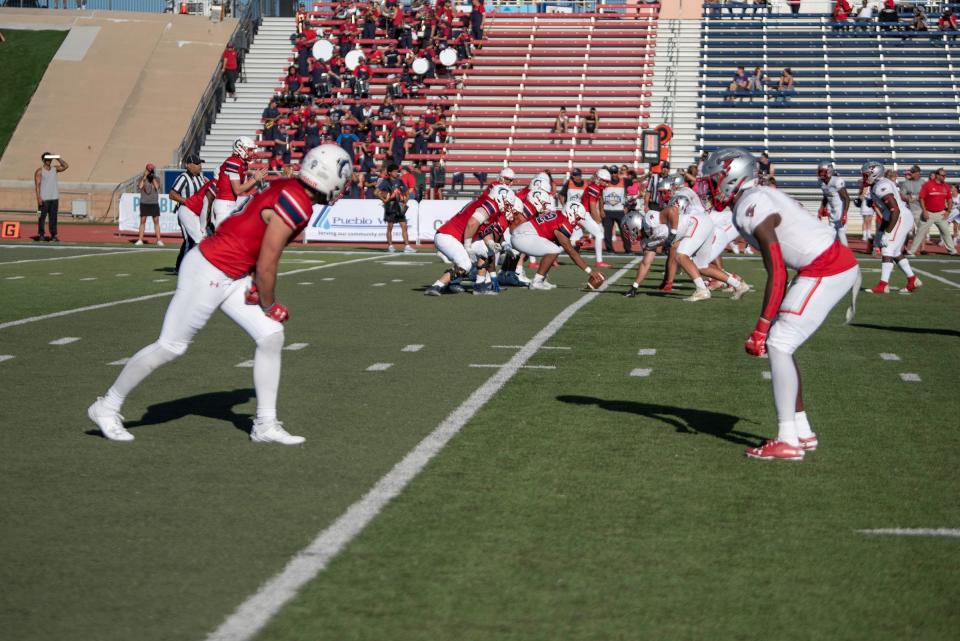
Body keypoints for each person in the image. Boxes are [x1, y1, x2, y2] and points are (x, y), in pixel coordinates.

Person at [87, 145, 352, 444]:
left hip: (230, 272)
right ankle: (106, 406)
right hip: (210, 269)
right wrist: (268, 302)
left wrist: (251, 279)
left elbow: (251, 232)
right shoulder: (297, 202)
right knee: (171, 346)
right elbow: (268, 261)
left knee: (270, 335)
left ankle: (265, 424)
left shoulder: (289, 188)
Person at [701, 147, 861, 461]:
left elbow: (777, 270)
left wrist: (761, 327)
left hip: (825, 268)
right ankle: (801, 431)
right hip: (826, 265)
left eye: (715, 178)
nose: (710, 185)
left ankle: (788, 439)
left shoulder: (752, 203)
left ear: (733, 177)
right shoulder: (757, 195)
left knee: (778, 342)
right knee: (782, 344)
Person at [861, 161, 921, 294]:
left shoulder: (880, 186)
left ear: (874, 174)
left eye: (867, 175)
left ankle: (883, 285)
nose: (865, 178)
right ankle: (912, 279)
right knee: (894, 252)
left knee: (887, 249)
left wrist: (887, 233)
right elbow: (889, 212)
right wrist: (881, 231)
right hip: (897, 217)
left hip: (899, 217)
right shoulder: (878, 184)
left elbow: (895, 210)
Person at [212, 137, 266, 229]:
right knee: (221, 239)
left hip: (230, 203)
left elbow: (245, 188)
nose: (252, 153)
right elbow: (237, 190)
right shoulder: (233, 162)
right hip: (224, 203)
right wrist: (254, 179)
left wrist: (256, 180)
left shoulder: (242, 163)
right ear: (241, 148)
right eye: (250, 150)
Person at [169, 153, 208, 271]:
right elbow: (172, 194)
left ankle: (192, 265)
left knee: (199, 238)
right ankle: (180, 267)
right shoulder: (183, 178)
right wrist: (187, 201)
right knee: (188, 240)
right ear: (188, 165)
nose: (200, 166)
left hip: (197, 213)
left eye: (200, 163)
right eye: (197, 164)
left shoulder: (201, 177)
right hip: (186, 212)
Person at [910, 168, 957, 256]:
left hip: (941, 213)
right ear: (937, 175)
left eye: (945, 175)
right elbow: (921, 198)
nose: (944, 177)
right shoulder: (928, 185)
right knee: (920, 232)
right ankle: (911, 251)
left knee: (946, 232)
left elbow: (950, 200)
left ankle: (952, 251)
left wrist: (948, 211)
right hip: (929, 213)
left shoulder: (946, 186)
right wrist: (924, 211)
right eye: (943, 175)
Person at [377, 163, 414, 253]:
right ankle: (390, 246)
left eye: (397, 171)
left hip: (399, 206)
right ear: (389, 172)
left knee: (404, 226)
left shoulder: (400, 181)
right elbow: (376, 192)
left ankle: (407, 246)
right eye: (394, 171)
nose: (396, 173)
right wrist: (384, 200)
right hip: (391, 206)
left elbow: (407, 192)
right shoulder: (386, 182)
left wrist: (405, 202)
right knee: (390, 227)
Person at [34, 152, 68, 242]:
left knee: (53, 218)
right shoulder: (39, 171)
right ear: (43, 160)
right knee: (41, 217)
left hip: (54, 198)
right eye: (47, 159)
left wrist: (57, 157)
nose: (49, 161)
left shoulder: (55, 169)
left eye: (50, 159)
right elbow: (37, 186)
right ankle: (41, 235)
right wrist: (38, 198)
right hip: (44, 199)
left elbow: (65, 166)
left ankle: (53, 235)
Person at [816, 160, 850, 246]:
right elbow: (825, 196)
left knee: (841, 233)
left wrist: (844, 214)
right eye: (820, 171)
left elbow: (846, 198)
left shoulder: (837, 181)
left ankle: (846, 255)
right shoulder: (822, 183)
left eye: (822, 171)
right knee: (832, 236)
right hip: (832, 213)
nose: (820, 174)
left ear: (829, 171)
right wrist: (821, 208)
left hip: (840, 212)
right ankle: (836, 256)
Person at [602, 165, 630, 254]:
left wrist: (647, 175)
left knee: (624, 231)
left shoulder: (624, 181)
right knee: (607, 233)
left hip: (620, 210)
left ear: (618, 173)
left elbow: (636, 180)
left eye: (615, 172)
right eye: (612, 172)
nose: (613, 174)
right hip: (607, 210)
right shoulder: (604, 182)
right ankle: (610, 249)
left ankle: (628, 250)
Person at [136, 164, 163, 247]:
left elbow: (157, 187)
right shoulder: (141, 178)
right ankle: (140, 239)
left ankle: (158, 240)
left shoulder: (156, 178)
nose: (150, 171)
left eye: (151, 170)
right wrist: (145, 177)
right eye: (149, 170)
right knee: (142, 221)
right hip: (144, 202)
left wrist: (152, 178)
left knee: (156, 221)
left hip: (154, 202)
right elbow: (140, 186)